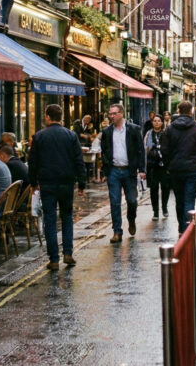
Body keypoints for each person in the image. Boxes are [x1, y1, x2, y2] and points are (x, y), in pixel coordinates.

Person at [28, 104, 86, 270]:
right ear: (60, 117)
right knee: (67, 218)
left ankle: (54, 259)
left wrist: (33, 183)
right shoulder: (71, 135)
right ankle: (68, 253)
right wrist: (81, 183)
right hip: (67, 183)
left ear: (47, 116)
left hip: (47, 183)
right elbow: (78, 160)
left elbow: (33, 163)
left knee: (50, 220)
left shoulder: (39, 136)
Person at [161, 100, 196, 235]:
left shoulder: (170, 128)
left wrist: (168, 165)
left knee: (179, 199)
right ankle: (187, 229)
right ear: (191, 111)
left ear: (178, 111)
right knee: (189, 200)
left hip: (176, 169)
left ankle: (182, 228)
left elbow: (164, 150)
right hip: (193, 169)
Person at [100, 103, 145, 243]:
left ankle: (131, 220)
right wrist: (104, 171)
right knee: (115, 202)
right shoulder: (107, 132)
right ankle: (117, 232)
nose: (111, 116)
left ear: (121, 114)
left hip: (129, 171)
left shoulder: (134, 129)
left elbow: (140, 150)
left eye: (114, 113)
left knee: (132, 201)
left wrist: (142, 169)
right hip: (114, 170)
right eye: (110, 113)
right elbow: (105, 152)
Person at [143, 114, 171, 220]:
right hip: (152, 166)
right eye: (155, 121)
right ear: (152, 122)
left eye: (159, 121)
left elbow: (169, 149)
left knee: (165, 188)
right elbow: (144, 149)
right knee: (153, 189)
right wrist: (144, 168)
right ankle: (155, 212)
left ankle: (164, 207)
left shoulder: (166, 133)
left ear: (162, 122)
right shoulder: (148, 134)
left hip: (164, 165)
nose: (157, 122)